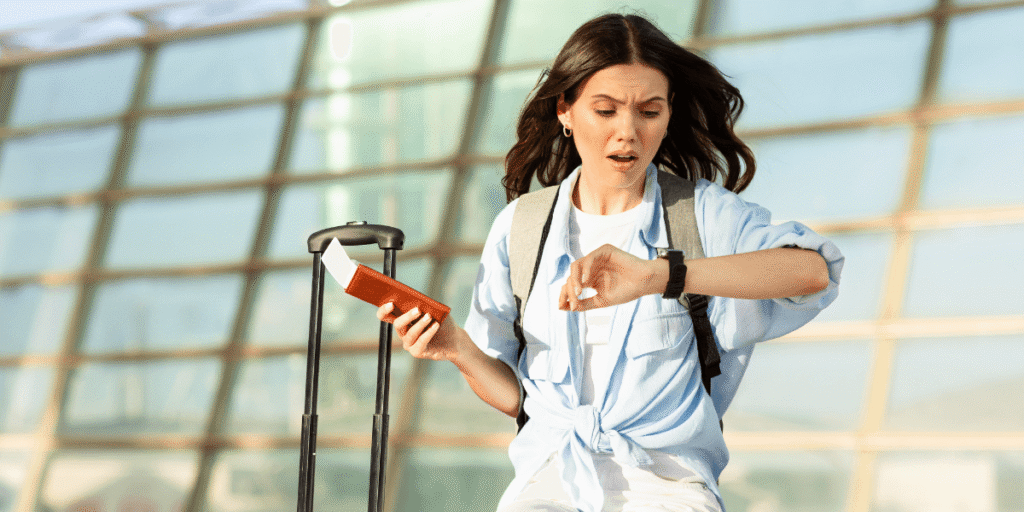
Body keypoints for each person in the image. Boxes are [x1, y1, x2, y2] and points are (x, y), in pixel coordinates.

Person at [376, 13, 843, 512]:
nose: (628, 132)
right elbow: (522, 402)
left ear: (667, 116)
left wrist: (658, 276)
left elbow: (813, 271)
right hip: (548, 484)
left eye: (649, 111)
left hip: (667, 487)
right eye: (605, 110)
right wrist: (457, 349)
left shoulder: (699, 214)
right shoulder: (521, 226)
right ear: (565, 110)